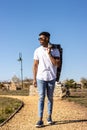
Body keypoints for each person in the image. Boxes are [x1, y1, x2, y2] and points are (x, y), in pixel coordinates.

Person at [33, 31, 60, 127]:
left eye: (42, 38)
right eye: (39, 38)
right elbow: (35, 65)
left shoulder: (55, 50)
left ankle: (49, 117)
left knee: (50, 98)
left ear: (47, 38)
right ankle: (40, 119)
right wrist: (34, 79)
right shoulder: (37, 50)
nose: (39, 40)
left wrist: (49, 54)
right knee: (41, 98)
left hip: (51, 77)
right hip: (40, 77)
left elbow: (57, 64)